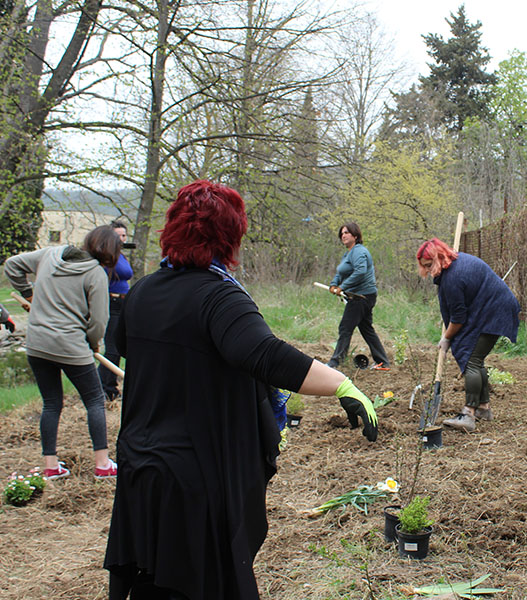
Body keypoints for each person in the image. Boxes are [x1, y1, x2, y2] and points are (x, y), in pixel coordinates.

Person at [104, 180, 378, 600]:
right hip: (193, 478)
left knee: (148, 577)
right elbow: (265, 355)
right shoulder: (217, 297)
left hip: (139, 468)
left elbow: (123, 346)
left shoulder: (142, 292)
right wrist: (342, 383)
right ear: (228, 236)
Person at [4, 226, 121, 480]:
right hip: (71, 346)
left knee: (51, 403)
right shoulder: (96, 274)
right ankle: (102, 464)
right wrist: (93, 342)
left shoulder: (50, 254)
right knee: (95, 400)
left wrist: (29, 293)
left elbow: (12, 265)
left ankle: (50, 466)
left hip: (37, 345)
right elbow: (100, 320)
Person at [416, 238, 520, 432]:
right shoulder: (454, 264)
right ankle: (483, 408)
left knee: (471, 359)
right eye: (426, 267)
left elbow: (458, 318)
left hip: (495, 312)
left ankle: (468, 414)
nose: (429, 270)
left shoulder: (452, 278)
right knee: (476, 359)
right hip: (488, 309)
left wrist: (446, 337)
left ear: (439, 258)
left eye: (430, 265)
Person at [326, 222, 390, 370]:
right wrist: (333, 285)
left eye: (347, 232)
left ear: (355, 235)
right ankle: (382, 362)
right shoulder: (348, 253)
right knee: (366, 329)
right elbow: (340, 272)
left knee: (345, 328)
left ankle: (336, 362)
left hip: (361, 296)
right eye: (341, 233)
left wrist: (342, 287)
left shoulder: (359, 251)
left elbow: (360, 272)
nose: (343, 235)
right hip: (358, 296)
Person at [98, 220, 134, 401]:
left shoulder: (122, 256)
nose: (121, 238)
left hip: (123, 303)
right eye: (117, 235)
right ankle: (103, 387)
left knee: (120, 345)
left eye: (123, 235)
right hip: (110, 302)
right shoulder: (105, 257)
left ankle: (111, 386)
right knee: (111, 347)